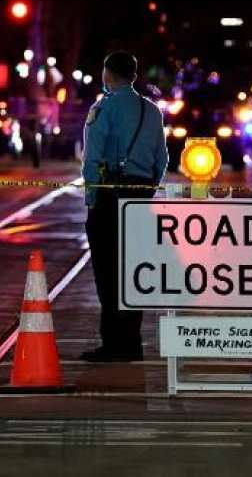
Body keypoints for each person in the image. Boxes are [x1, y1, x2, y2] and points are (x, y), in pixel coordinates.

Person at [80, 51, 169, 362]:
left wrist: (92, 198)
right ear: (133, 75)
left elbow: (92, 159)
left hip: (110, 195)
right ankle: (132, 342)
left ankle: (113, 343)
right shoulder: (152, 111)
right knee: (134, 270)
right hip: (141, 195)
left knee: (107, 271)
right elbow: (162, 159)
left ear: (108, 74)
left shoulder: (103, 108)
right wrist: (147, 190)